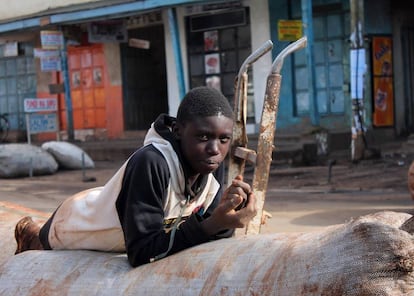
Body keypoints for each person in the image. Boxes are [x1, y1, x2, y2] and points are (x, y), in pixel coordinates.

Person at [15, 86, 257, 267]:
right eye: (203, 137)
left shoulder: (209, 170)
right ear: (178, 131)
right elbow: (142, 253)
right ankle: (32, 232)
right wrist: (214, 223)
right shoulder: (151, 163)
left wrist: (229, 215)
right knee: (41, 242)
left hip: (117, 217)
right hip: (77, 222)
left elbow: (210, 234)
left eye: (223, 139)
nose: (215, 149)